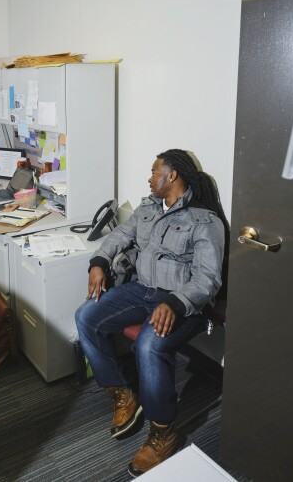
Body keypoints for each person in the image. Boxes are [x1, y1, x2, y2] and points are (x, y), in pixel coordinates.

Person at [74, 149, 229, 477]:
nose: (149, 177)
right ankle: (122, 393)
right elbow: (119, 235)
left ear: (171, 175)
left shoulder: (204, 220)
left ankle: (163, 431)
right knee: (86, 315)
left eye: (153, 171)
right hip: (141, 291)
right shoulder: (148, 208)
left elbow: (208, 277)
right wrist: (99, 262)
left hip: (182, 302)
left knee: (149, 344)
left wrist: (174, 303)